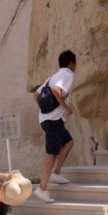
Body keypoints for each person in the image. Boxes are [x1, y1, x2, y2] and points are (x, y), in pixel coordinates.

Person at [33, 49, 77, 202]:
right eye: (75, 63)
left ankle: (56, 173)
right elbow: (56, 90)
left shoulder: (53, 76)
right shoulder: (67, 74)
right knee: (50, 155)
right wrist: (66, 108)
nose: (75, 66)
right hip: (54, 120)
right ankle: (42, 188)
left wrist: (44, 112)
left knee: (68, 142)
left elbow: (36, 94)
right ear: (71, 63)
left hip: (47, 120)